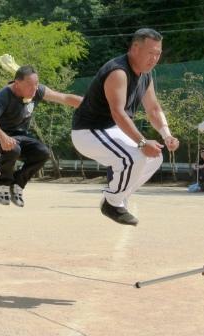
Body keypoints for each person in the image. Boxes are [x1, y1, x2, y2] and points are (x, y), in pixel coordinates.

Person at [71, 28, 180, 226]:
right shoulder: (118, 72)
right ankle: (112, 203)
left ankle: (117, 197)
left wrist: (167, 135)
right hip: (88, 131)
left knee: (154, 157)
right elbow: (118, 113)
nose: (154, 58)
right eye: (150, 53)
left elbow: (154, 109)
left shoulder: (146, 75)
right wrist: (142, 141)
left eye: (158, 54)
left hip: (111, 130)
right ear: (135, 48)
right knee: (135, 156)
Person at [0, 65, 82, 207]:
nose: (34, 89)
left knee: (43, 153)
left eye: (36, 84)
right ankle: (2, 183)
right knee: (13, 148)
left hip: (20, 137)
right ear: (17, 84)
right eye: (30, 85)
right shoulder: (5, 95)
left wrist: (90, 104)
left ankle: (17, 183)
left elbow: (64, 98)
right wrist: (3, 137)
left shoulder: (37, 90)